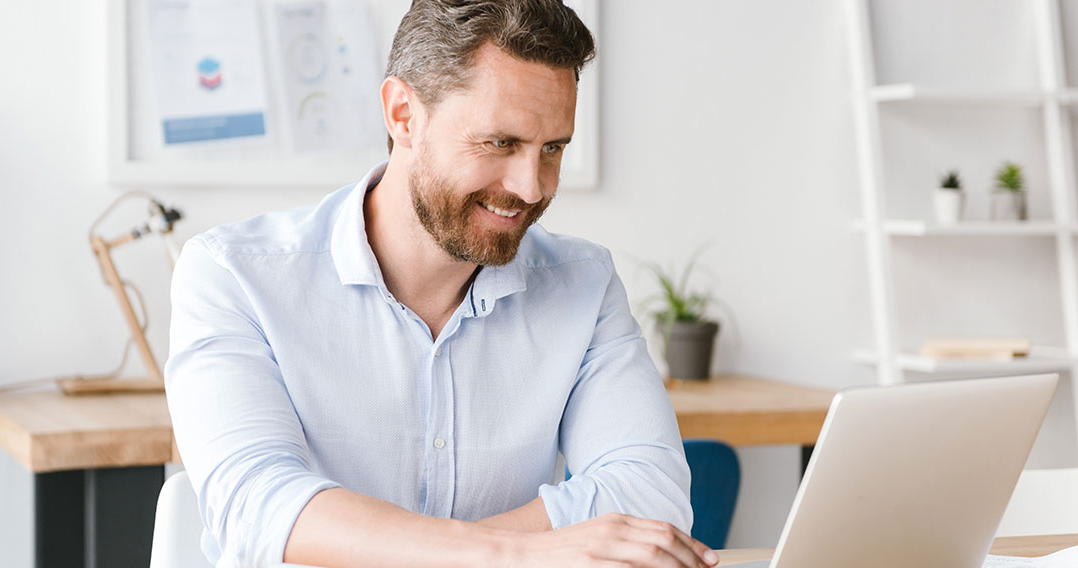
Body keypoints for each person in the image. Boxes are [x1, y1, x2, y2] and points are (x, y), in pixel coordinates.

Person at [165, 1, 717, 566]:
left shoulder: (582, 283)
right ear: (403, 114)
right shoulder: (234, 275)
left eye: (552, 148)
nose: (531, 188)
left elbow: (651, 491)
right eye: (500, 143)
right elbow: (259, 507)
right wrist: (511, 553)